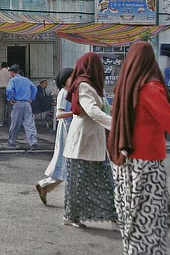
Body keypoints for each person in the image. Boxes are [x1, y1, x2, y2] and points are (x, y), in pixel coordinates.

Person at [108, 41, 170, 254]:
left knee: (132, 216)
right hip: (146, 163)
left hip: (126, 160)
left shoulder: (126, 85)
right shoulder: (150, 87)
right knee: (150, 221)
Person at [63, 52, 116, 228]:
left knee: (102, 180)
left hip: (92, 140)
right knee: (78, 184)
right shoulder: (84, 85)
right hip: (83, 141)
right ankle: (72, 217)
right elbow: (92, 111)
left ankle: (115, 215)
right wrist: (117, 125)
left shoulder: (91, 86)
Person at [35, 68, 73, 205]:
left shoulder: (72, 92)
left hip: (71, 129)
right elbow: (59, 114)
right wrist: (75, 113)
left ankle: (44, 186)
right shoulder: (64, 93)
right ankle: (45, 185)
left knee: (65, 165)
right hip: (66, 130)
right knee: (66, 164)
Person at [6, 64, 38, 150]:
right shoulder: (26, 80)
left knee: (15, 124)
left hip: (17, 103)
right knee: (29, 123)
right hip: (27, 103)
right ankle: (33, 142)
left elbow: (9, 90)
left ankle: (12, 142)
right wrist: (32, 98)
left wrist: (10, 98)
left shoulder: (12, 80)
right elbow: (34, 88)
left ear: (12, 72)